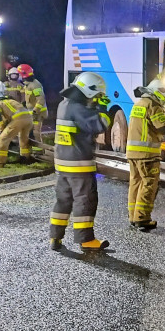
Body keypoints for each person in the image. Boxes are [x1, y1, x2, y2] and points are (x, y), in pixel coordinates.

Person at [50, 72, 111, 251]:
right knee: (85, 201)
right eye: (97, 95)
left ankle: (55, 237)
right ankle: (86, 240)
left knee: (63, 201)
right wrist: (103, 108)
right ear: (89, 91)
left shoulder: (64, 104)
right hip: (78, 164)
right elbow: (100, 124)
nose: (96, 99)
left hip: (62, 163)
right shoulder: (79, 108)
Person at [126, 79, 165, 231]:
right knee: (149, 184)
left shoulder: (139, 104)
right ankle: (142, 218)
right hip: (147, 153)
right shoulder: (153, 106)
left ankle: (133, 216)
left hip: (133, 153)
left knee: (135, 183)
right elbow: (162, 128)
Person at [0, 88, 33, 167]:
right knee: (23, 139)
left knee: (3, 139)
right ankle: (25, 158)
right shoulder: (11, 101)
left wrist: (1, 129)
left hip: (18, 119)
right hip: (29, 118)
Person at [17, 64, 48, 145]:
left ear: (24, 74)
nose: (18, 76)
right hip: (31, 113)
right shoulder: (28, 84)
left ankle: (39, 150)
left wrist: (35, 112)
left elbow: (41, 100)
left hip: (38, 114)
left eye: (19, 74)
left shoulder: (35, 85)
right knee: (29, 132)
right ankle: (31, 148)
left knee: (35, 133)